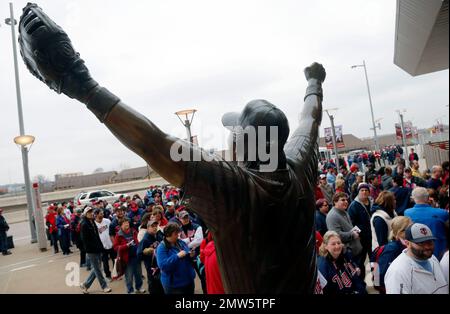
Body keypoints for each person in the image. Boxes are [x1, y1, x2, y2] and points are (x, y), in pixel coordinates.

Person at [18, 4, 325, 293]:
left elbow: (155, 144)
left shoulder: (239, 191)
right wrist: (313, 83)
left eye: (236, 134)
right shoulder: (299, 165)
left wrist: (82, 85)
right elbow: (310, 118)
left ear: (247, 143)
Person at [385, 223, 448, 294]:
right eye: (421, 243)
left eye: (430, 242)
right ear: (407, 243)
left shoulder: (432, 258)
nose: (427, 247)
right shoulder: (397, 272)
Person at [404, 187, 449, 259]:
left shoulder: (407, 212)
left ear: (413, 198)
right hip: (440, 252)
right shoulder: (442, 213)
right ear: (428, 198)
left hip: (418, 252)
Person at [373, 216, 411, 294]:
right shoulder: (392, 249)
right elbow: (381, 275)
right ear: (400, 232)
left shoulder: (403, 245)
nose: (412, 231)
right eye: (409, 229)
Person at [156, 222, 196, 294]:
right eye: (175, 234)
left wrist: (191, 255)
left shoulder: (180, 242)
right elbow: (163, 265)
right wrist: (177, 256)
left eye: (178, 233)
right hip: (174, 286)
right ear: (168, 234)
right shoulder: (161, 248)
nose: (178, 235)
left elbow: (186, 253)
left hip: (188, 280)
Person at [79, 206, 112, 294]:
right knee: (98, 269)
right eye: (89, 212)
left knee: (97, 268)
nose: (90, 213)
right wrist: (92, 248)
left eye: (91, 211)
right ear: (85, 214)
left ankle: (85, 285)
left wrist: (101, 247)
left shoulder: (92, 222)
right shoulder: (84, 224)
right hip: (91, 251)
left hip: (98, 249)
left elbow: (97, 236)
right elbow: (85, 240)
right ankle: (104, 286)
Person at [326, 192, 362, 259]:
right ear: (335, 202)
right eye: (343, 200)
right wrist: (352, 234)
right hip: (349, 253)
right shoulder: (332, 216)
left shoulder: (344, 211)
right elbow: (335, 235)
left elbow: (348, 227)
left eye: (346, 200)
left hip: (356, 250)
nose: (346, 202)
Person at [348, 183, 373, 279]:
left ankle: (376, 279)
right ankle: (361, 281)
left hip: (372, 237)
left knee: (374, 258)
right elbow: (351, 223)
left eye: (366, 190)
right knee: (360, 261)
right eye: (362, 190)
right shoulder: (354, 206)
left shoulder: (371, 202)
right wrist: (360, 232)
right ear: (358, 192)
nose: (364, 192)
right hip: (361, 238)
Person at [114, 219, 145, 294]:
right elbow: (115, 247)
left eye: (127, 222)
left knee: (138, 274)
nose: (127, 224)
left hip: (136, 257)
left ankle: (139, 287)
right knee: (129, 276)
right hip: (127, 259)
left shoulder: (133, 231)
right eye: (124, 223)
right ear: (121, 225)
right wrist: (126, 246)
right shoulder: (119, 235)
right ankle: (130, 290)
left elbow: (137, 241)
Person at [137, 219, 165, 294]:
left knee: (161, 285)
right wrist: (145, 252)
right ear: (148, 228)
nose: (155, 227)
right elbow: (138, 255)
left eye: (156, 226)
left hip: (159, 264)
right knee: (153, 285)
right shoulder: (145, 240)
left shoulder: (158, 235)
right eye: (152, 226)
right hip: (151, 267)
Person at [94, 209, 115, 280]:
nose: (102, 214)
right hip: (102, 246)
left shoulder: (107, 221)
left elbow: (112, 231)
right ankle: (108, 275)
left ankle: (116, 273)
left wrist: (114, 241)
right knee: (105, 262)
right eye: (100, 214)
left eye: (102, 213)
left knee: (114, 260)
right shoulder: (94, 224)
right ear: (96, 215)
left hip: (111, 243)